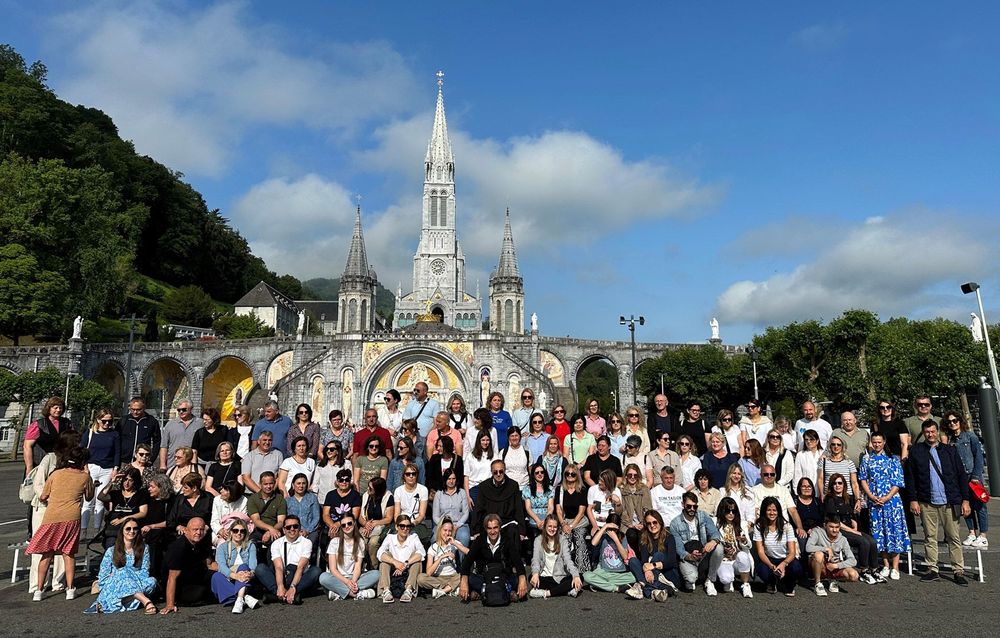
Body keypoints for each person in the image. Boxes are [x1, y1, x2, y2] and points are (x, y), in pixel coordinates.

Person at [906, 420, 971, 585]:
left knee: (953, 537)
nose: (930, 434)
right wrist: (913, 499)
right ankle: (932, 568)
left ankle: (958, 570)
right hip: (926, 501)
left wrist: (965, 500)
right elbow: (910, 477)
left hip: (949, 500)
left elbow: (961, 476)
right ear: (923, 433)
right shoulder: (916, 451)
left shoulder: (950, 450)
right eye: (927, 432)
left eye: (933, 431)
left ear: (938, 432)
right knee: (930, 537)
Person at [28, 446, 94, 602]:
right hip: (72, 517)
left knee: (46, 553)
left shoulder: (56, 474)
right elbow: (89, 497)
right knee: (68, 553)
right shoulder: (84, 477)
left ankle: (39, 590)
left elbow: (43, 496)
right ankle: (70, 589)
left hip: (52, 517)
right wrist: (88, 475)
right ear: (83, 462)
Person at [28, 430, 79, 594]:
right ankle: (37, 585)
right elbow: (38, 483)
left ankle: (58, 582)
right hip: (44, 507)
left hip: (64, 509)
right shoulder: (50, 458)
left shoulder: (75, 462)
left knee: (63, 546)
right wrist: (50, 499)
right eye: (76, 443)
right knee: (41, 546)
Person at [859, 431, 909, 580]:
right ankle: (886, 564)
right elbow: (863, 479)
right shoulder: (867, 459)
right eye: (874, 442)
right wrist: (871, 496)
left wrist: (887, 497)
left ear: (884, 442)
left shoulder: (893, 459)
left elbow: (898, 481)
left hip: (892, 501)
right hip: (874, 501)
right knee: (879, 533)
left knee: (894, 531)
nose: (877, 445)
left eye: (879, 442)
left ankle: (895, 566)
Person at [85, 523, 158, 614]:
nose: (132, 531)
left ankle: (111, 604)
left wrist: (130, 579)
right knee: (122, 571)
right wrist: (117, 579)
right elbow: (103, 576)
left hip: (137, 581)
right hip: (114, 585)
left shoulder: (144, 548)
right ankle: (146, 601)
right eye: (128, 529)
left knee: (152, 581)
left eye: (135, 528)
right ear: (122, 531)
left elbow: (145, 572)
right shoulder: (111, 550)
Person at [824, 472, 882, 583]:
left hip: (850, 528)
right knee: (863, 542)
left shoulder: (848, 498)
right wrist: (852, 531)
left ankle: (874, 569)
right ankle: (864, 570)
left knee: (872, 541)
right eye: (835, 483)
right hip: (839, 530)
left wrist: (854, 523)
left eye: (840, 483)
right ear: (831, 485)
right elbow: (836, 522)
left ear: (844, 484)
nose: (837, 485)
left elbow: (851, 515)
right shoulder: (829, 499)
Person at [943, 411, 988, 548]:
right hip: (959, 477)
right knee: (966, 506)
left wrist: (976, 475)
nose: (952, 423)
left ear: (960, 421)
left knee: (980, 506)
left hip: (972, 475)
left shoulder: (970, 436)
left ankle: (983, 535)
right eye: (949, 422)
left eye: (955, 420)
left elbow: (978, 457)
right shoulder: (951, 440)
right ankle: (972, 532)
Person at [459, 513, 528, 602]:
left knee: (518, 579)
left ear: (500, 528)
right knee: (469, 579)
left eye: (495, 528)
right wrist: (464, 581)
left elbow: (518, 562)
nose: (492, 532)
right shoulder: (479, 540)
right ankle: (507, 592)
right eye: (489, 528)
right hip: (484, 579)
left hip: (504, 577)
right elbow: (467, 561)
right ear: (485, 529)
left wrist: (522, 579)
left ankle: (483, 593)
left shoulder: (507, 540)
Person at [256, 514, 321, 604]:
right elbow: (278, 567)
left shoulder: (307, 542)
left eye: (295, 526)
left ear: (299, 528)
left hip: (298, 576)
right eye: (288, 527)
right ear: (284, 530)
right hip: (282, 575)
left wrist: (293, 586)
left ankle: (281, 595)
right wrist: (280, 585)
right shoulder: (277, 543)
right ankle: (285, 593)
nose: (292, 529)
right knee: (260, 568)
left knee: (316, 571)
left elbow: (301, 567)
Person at [669, 492, 723, 594]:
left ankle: (710, 580)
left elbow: (715, 533)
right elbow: (679, 549)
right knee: (691, 578)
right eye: (689, 506)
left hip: (703, 550)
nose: (692, 509)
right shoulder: (675, 523)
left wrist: (712, 541)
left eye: (695, 506)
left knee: (719, 548)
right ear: (683, 504)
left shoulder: (703, 516)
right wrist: (690, 556)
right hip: (688, 555)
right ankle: (692, 576)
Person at [160, 517, 217, 613]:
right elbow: (172, 578)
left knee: (216, 576)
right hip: (180, 587)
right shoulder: (179, 548)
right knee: (205, 593)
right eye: (195, 529)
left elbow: (211, 564)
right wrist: (170, 604)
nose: (198, 532)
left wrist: (231, 574)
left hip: (193, 578)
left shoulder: (199, 543)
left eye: (201, 529)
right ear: (186, 530)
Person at [80, 410, 121, 539]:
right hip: (91, 467)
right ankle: (83, 530)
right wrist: (85, 467)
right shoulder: (90, 433)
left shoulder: (114, 434)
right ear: (98, 420)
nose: (107, 424)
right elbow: (82, 451)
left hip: (107, 469)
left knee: (100, 499)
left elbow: (117, 452)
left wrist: (115, 469)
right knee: (88, 499)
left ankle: (97, 530)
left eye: (110, 421)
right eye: (104, 421)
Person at [320, 511, 378, 600]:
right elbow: (333, 570)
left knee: (377, 574)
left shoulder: (360, 542)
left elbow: (357, 567)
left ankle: (339, 592)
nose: (347, 526)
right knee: (323, 577)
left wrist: (353, 583)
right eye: (343, 525)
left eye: (349, 523)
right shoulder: (334, 542)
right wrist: (347, 582)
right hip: (338, 578)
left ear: (354, 523)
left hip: (355, 577)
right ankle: (356, 594)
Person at [752, 497, 804, 596]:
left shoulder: (787, 526)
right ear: (764, 511)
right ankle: (771, 583)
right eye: (769, 510)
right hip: (769, 559)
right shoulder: (759, 526)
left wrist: (784, 564)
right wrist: (771, 566)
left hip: (786, 558)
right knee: (762, 570)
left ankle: (789, 584)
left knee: (796, 568)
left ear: (778, 511)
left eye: (774, 510)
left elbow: (792, 552)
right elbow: (761, 552)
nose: (772, 513)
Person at [624, 509, 679, 601]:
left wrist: (653, 566)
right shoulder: (644, 537)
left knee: (658, 555)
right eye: (649, 523)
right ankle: (653, 591)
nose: (652, 525)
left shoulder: (669, 537)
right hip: (651, 574)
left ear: (660, 522)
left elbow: (672, 561)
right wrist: (647, 570)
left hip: (668, 574)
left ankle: (642, 586)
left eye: (654, 522)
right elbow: (644, 560)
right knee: (633, 561)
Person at [211, 519, 261, 613]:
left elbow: (253, 565)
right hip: (230, 577)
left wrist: (250, 574)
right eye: (235, 530)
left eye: (242, 531)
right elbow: (221, 566)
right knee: (216, 576)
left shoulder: (250, 546)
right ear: (231, 532)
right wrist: (235, 576)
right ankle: (244, 597)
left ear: (245, 533)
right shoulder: (222, 547)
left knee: (243, 566)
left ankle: (238, 600)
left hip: (246, 578)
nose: (239, 533)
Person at [529, 514, 582, 598]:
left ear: (558, 528)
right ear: (545, 527)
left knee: (580, 577)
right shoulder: (538, 540)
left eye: (555, 527)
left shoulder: (562, 540)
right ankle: (566, 590)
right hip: (544, 576)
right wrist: (535, 573)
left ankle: (546, 593)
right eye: (549, 526)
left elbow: (568, 560)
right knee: (531, 577)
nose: (552, 529)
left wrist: (575, 576)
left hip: (559, 577)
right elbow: (536, 559)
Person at [475, 459, 528, 545]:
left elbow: (518, 509)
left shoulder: (513, 485)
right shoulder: (484, 486)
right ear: (491, 472)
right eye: (495, 472)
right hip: (490, 524)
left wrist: (522, 531)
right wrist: (476, 530)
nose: (498, 474)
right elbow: (478, 509)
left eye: (501, 471)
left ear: (505, 471)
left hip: (507, 523)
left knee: (514, 533)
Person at [377, 514, 426, 603]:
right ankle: (386, 590)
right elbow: (380, 553)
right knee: (385, 559)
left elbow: (422, 553)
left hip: (408, 567)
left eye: (408, 526)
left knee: (417, 561)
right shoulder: (390, 537)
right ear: (396, 527)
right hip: (393, 568)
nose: (405, 529)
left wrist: (405, 564)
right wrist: (395, 562)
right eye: (402, 526)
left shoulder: (413, 537)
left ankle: (409, 590)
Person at [581, 513, 636, 593]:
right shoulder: (603, 536)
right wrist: (604, 527)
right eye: (610, 529)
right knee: (586, 576)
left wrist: (616, 539)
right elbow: (593, 543)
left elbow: (625, 556)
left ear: (618, 527)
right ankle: (616, 588)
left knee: (634, 578)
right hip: (603, 571)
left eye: (614, 529)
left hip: (619, 573)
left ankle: (601, 584)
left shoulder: (623, 537)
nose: (612, 531)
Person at [97, 466, 149, 548]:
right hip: (114, 531)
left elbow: (143, 513)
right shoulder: (116, 494)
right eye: (125, 479)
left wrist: (124, 519)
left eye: (130, 480)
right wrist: (112, 482)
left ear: (135, 482)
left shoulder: (140, 495)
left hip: (131, 529)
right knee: (110, 546)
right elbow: (100, 497)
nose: (127, 483)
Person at [806, 515, 859, 596]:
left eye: (837, 527)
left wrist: (837, 566)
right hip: (819, 565)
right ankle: (818, 583)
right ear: (825, 525)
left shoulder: (843, 539)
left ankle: (833, 580)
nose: (834, 530)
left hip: (833, 566)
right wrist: (826, 549)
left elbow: (853, 560)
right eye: (831, 527)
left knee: (854, 575)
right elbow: (808, 547)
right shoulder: (817, 532)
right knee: (818, 554)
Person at [417, 517, 469, 598]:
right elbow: (429, 572)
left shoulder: (454, 543)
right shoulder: (433, 547)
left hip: (453, 577)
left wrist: (455, 543)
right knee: (420, 578)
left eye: (450, 531)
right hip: (438, 578)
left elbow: (469, 553)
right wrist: (441, 557)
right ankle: (450, 589)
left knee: (463, 576)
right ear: (440, 530)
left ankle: (442, 591)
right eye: (445, 530)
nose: (447, 533)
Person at [23, 397, 75, 475]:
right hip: (41, 464)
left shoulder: (67, 423)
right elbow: (27, 446)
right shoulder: (38, 424)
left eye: (60, 408)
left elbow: (73, 443)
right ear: (49, 408)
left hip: (61, 464)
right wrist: (29, 467)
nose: (58, 410)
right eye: (55, 408)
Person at [752, 464, 805, 537]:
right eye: (766, 474)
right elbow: (755, 512)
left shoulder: (784, 490)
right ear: (761, 475)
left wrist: (800, 527)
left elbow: (793, 511)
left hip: (783, 527)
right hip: (764, 528)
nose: (769, 476)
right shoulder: (754, 490)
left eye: (772, 474)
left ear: (775, 475)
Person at [715, 497, 753, 597]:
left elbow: (749, 546)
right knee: (726, 580)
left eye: (734, 511)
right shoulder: (716, 523)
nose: (731, 514)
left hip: (737, 560)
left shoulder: (742, 524)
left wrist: (744, 541)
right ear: (722, 511)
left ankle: (745, 584)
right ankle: (729, 579)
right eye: (728, 511)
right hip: (723, 560)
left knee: (743, 555)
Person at [556, 464, 591, 573]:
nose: (570, 476)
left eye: (573, 474)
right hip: (565, 521)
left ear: (577, 475)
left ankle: (582, 570)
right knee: (565, 539)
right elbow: (558, 510)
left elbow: (581, 512)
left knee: (579, 538)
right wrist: (564, 524)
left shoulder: (582, 489)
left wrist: (571, 526)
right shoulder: (560, 489)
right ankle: (564, 569)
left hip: (579, 521)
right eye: (567, 473)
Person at [360, 476, 395, 567]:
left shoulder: (388, 497)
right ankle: (361, 565)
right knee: (361, 539)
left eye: (370, 488)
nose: (368, 489)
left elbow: (389, 518)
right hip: (366, 525)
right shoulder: (366, 495)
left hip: (381, 526)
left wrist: (375, 523)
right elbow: (360, 516)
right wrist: (366, 524)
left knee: (373, 543)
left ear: (377, 490)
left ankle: (374, 566)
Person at [166, 472, 213, 539]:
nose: (183, 489)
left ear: (194, 488)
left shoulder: (208, 498)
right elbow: (170, 520)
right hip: (183, 535)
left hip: (202, 535)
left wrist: (206, 527)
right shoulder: (179, 499)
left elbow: (214, 518)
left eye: (186, 488)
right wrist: (178, 527)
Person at [118, 398, 160, 471]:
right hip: (124, 462)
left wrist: (151, 459)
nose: (135, 412)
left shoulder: (151, 421)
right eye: (133, 409)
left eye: (138, 409)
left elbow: (157, 442)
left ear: (144, 408)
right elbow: (116, 441)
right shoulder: (123, 421)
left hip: (143, 462)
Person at [433, 468, 470, 551]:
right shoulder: (439, 494)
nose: (451, 481)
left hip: (459, 524)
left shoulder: (462, 492)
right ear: (445, 480)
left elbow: (465, 513)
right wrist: (444, 526)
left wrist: (456, 526)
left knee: (464, 537)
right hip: (442, 524)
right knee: (434, 537)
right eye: (449, 479)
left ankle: (461, 559)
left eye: (453, 478)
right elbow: (435, 516)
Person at [246, 471, 287, 547]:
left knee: (275, 545)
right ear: (260, 484)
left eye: (271, 483)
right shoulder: (253, 499)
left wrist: (270, 531)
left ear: (274, 483)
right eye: (265, 484)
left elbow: (281, 521)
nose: (268, 486)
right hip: (259, 529)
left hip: (276, 528)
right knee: (251, 545)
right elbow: (256, 520)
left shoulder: (280, 499)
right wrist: (270, 529)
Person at [394, 463, 431, 544]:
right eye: (408, 474)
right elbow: (397, 514)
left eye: (413, 474)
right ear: (404, 476)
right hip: (401, 522)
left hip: (417, 523)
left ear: (417, 475)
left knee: (412, 538)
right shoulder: (398, 490)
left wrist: (412, 524)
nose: (411, 476)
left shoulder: (423, 490)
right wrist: (401, 525)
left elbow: (422, 515)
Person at [816, 435, 860, 502]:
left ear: (842, 446)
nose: (836, 446)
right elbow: (820, 479)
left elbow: (854, 483)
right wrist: (822, 494)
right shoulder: (824, 462)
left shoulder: (849, 462)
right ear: (830, 446)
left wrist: (858, 499)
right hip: (829, 497)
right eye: (833, 444)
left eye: (838, 445)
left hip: (847, 497)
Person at [160, 400, 201, 470]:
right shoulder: (170, 424)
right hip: (173, 464)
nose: (181, 412)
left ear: (191, 409)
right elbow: (164, 446)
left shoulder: (200, 423)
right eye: (179, 410)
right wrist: (162, 465)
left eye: (184, 409)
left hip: (192, 465)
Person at [464, 430, 496, 520]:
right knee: (475, 517)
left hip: (489, 488)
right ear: (479, 441)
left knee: (488, 518)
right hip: (474, 489)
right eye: (483, 440)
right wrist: (467, 496)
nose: (485, 443)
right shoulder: (470, 456)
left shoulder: (494, 456)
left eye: (487, 440)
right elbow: (466, 477)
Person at [620, 462, 653, 549]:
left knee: (643, 536)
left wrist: (643, 523)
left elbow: (648, 508)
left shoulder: (644, 489)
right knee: (631, 535)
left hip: (642, 523)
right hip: (627, 524)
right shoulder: (621, 490)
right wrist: (631, 524)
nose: (632, 477)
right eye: (630, 475)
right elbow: (622, 511)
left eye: (635, 475)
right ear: (626, 476)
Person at [241, 430, 283, 495]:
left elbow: (280, 476)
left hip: (271, 493)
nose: (267, 442)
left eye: (270, 440)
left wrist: (270, 492)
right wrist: (261, 493)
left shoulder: (278, 454)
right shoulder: (249, 456)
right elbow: (245, 478)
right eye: (264, 440)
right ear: (258, 441)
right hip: (252, 494)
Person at [322, 469, 362, 539]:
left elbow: (354, 515)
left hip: (347, 525)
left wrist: (338, 524)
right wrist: (333, 526)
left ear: (350, 481)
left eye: (347, 480)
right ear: (337, 482)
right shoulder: (330, 495)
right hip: (331, 524)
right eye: (341, 480)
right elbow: (325, 514)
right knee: (325, 535)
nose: (344, 482)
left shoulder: (355, 495)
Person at [286, 473, 321, 550]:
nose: (301, 486)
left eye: (303, 483)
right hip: (292, 530)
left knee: (308, 545)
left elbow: (316, 517)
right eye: (298, 483)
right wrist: (295, 531)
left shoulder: (312, 498)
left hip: (310, 531)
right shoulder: (288, 500)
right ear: (293, 485)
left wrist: (307, 531)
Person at [523, 462, 554, 542]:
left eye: (542, 472)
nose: (540, 474)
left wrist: (545, 520)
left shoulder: (550, 489)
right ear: (533, 475)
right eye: (537, 473)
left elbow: (550, 507)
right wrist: (538, 521)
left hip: (546, 517)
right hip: (533, 518)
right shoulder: (527, 489)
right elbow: (528, 508)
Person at [210, 481, 248, 546]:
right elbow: (214, 521)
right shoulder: (217, 500)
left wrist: (232, 532)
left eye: (225, 489)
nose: (221, 491)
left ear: (232, 493)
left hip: (237, 532)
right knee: (223, 544)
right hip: (219, 534)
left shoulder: (244, 501)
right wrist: (221, 531)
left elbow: (242, 520)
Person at [794, 478, 823, 545]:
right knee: (802, 538)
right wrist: (802, 529)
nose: (807, 488)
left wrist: (815, 529)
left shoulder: (817, 501)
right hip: (801, 530)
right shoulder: (795, 501)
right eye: (804, 486)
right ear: (799, 488)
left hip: (817, 529)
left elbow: (823, 518)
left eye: (809, 486)